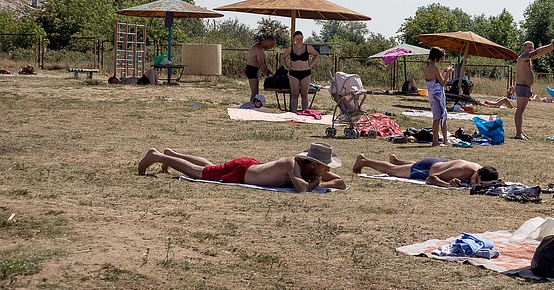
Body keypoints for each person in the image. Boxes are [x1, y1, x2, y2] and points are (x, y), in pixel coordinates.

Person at [137, 142, 346, 192]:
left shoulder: (312, 169)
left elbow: (342, 183)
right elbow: (301, 188)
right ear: (313, 163)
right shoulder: (291, 164)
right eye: (324, 166)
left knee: (211, 167)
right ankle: (156, 156)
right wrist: (317, 181)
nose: (326, 170)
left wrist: (319, 178)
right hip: (242, 173)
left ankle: (171, 154)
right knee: (198, 173)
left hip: (248, 167)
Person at [352, 153, 499, 188]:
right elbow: (431, 178)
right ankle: (364, 161)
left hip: (438, 162)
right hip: (427, 169)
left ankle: (398, 160)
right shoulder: (464, 171)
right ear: (477, 173)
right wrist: (447, 185)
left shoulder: (480, 170)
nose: (474, 184)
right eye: (476, 181)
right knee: (392, 171)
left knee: (401, 167)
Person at [513, 39, 554, 140]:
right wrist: (550, 45)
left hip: (526, 88)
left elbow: (540, 53)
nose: (531, 49)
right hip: (522, 86)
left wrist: (551, 47)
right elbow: (537, 51)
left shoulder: (529, 59)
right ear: (524, 48)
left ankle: (520, 132)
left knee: (521, 111)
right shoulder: (522, 57)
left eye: (532, 47)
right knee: (519, 111)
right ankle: (518, 133)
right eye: (528, 47)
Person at [281, 31, 319, 112]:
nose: (299, 40)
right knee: (294, 94)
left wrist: (311, 64)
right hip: (293, 73)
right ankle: (294, 112)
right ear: (294, 39)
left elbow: (316, 54)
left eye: (301, 38)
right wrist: (286, 66)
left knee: (304, 94)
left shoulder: (307, 47)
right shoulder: (291, 48)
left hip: (306, 73)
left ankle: (305, 112)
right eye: (297, 39)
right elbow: (283, 57)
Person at [424, 47, 455, 146]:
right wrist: (448, 74)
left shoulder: (427, 66)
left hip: (432, 95)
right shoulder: (434, 68)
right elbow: (442, 83)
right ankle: (437, 141)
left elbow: (435, 79)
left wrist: (443, 72)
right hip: (437, 96)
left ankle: (439, 140)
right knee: (440, 118)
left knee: (437, 118)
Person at [245, 36, 276, 102]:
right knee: (254, 91)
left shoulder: (261, 49)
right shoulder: (258, 48)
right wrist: (267, 75)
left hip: (255, 70)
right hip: (251, 70)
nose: (271, 47)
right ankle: (251, 106)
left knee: (256, 91)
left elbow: (264, 62)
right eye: (271, 45)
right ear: (268, 42)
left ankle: (253, 105)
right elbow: (261, 63)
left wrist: (268, 70)